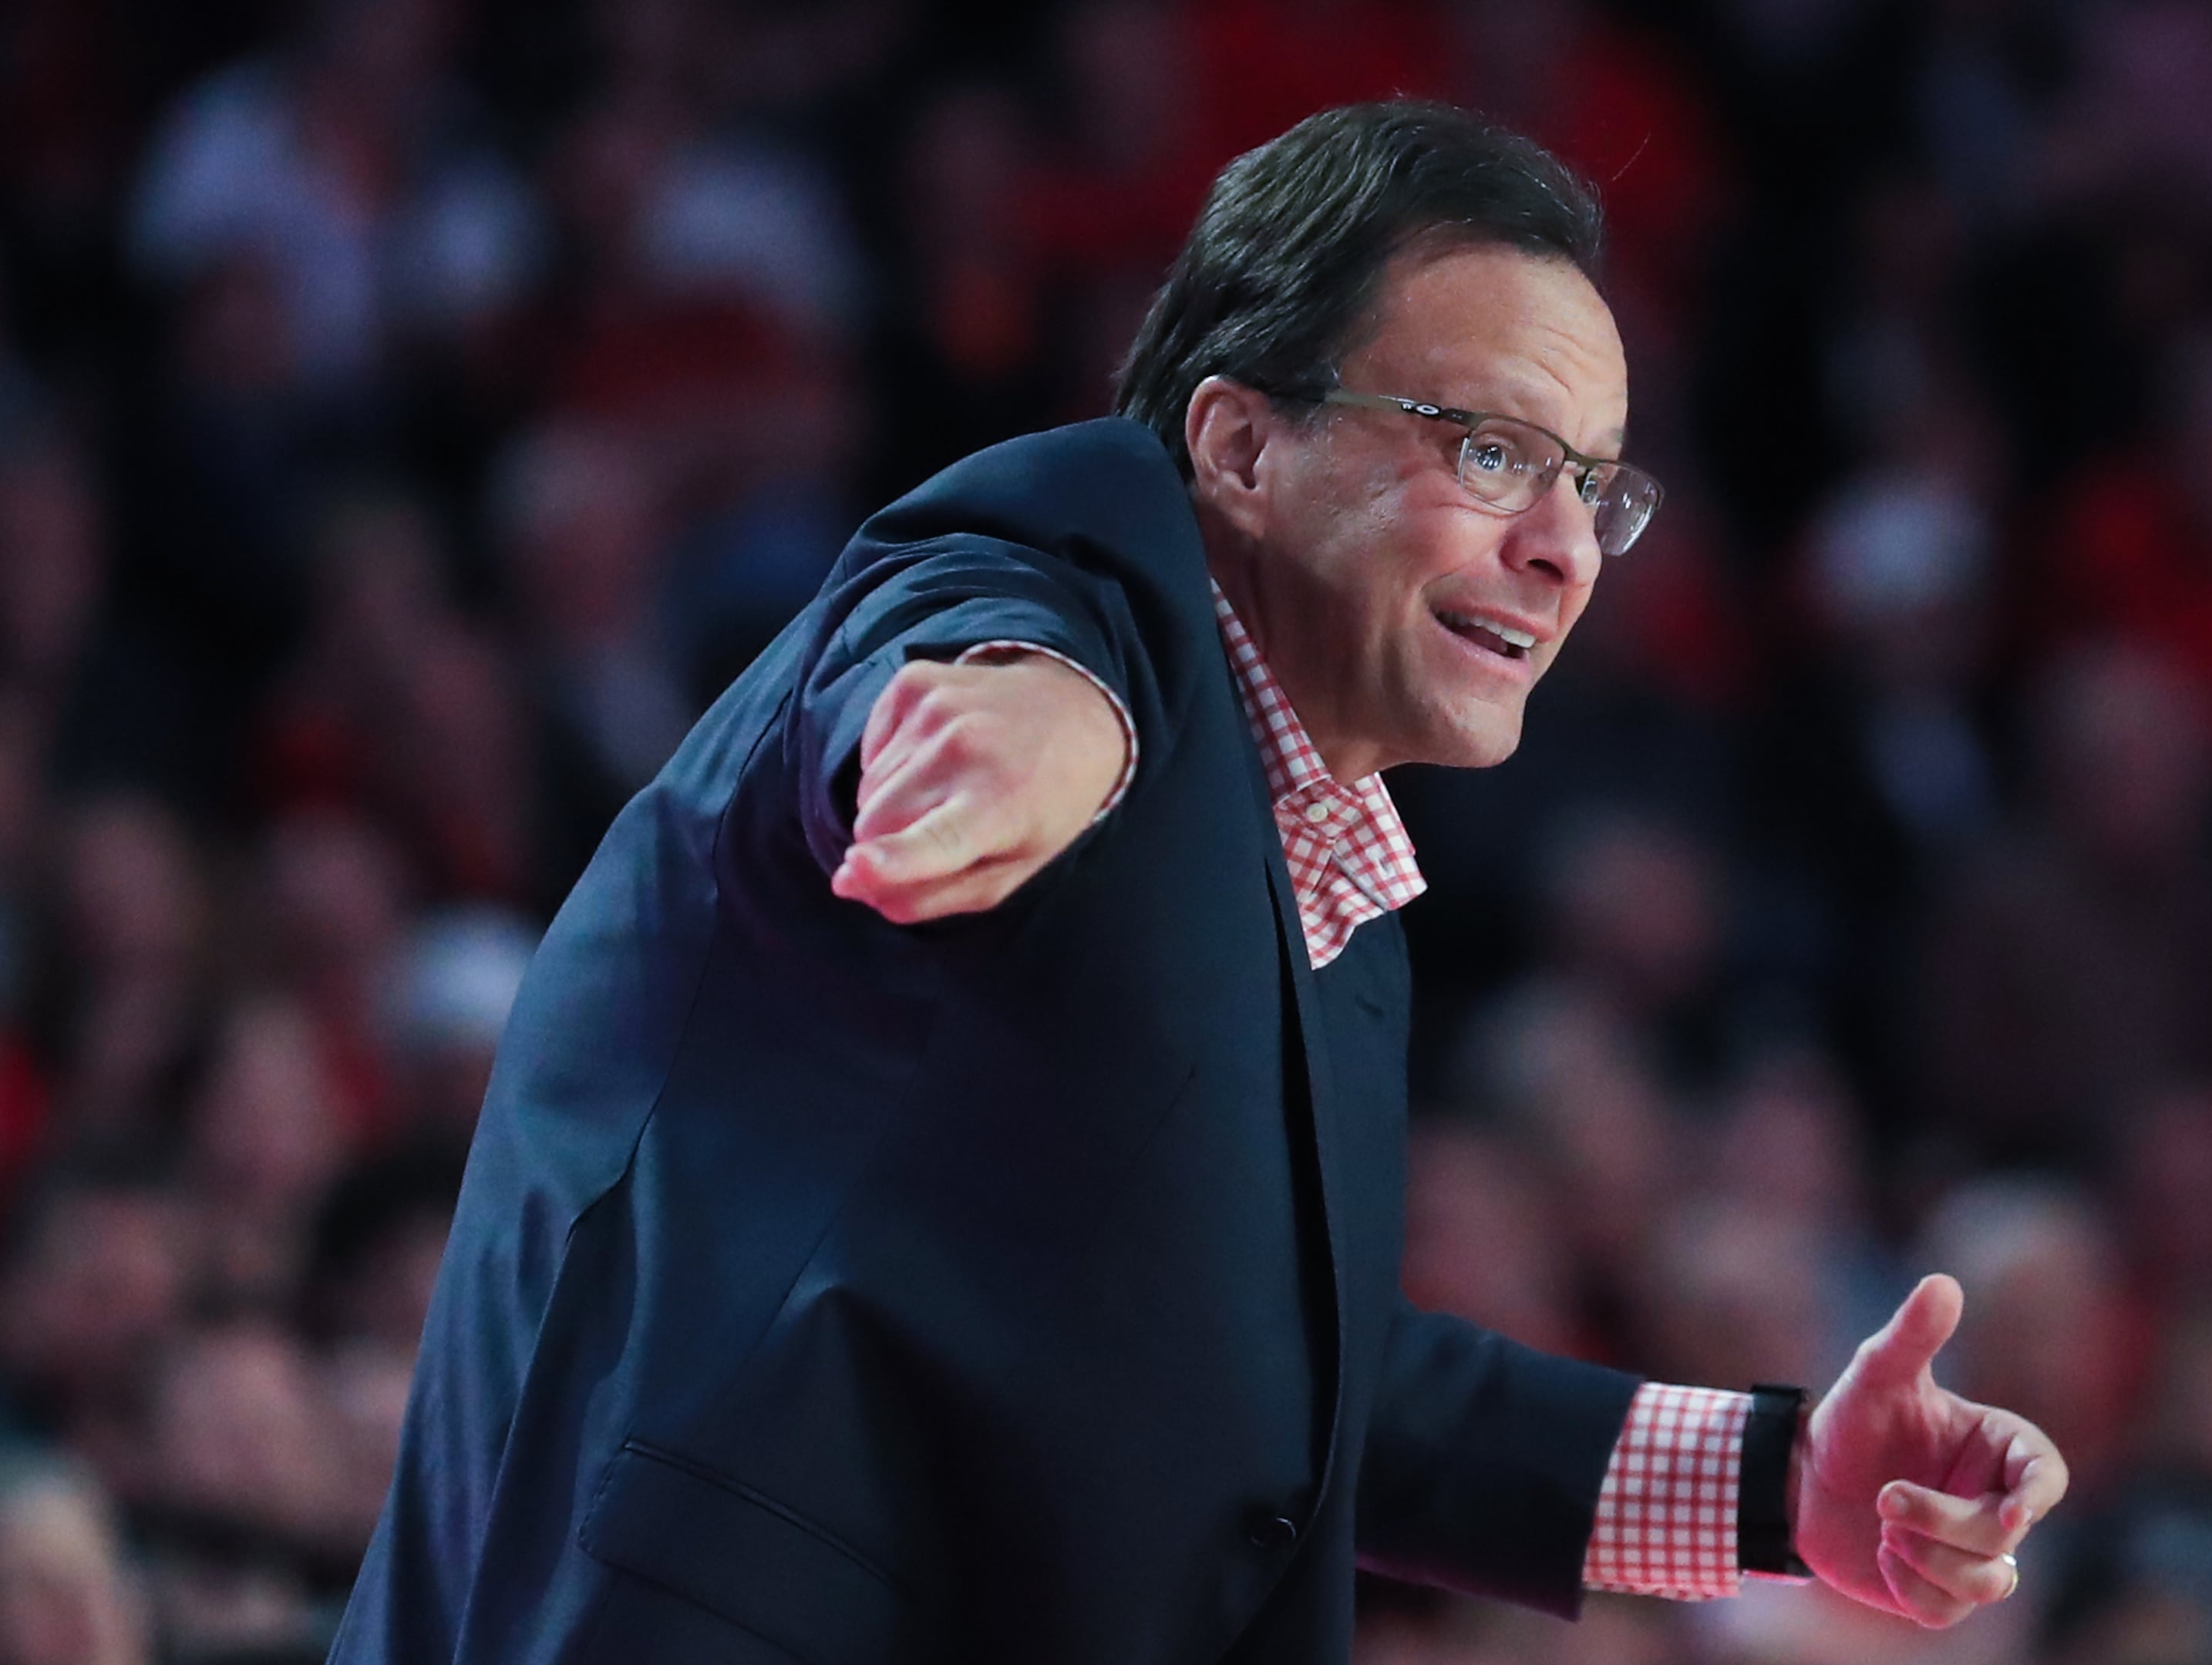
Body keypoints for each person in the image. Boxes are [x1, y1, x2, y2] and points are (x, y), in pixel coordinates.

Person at [329, 103, 2068, 1665]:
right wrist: (1036, 727)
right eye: (1490, 451)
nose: (1559, 544)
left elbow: (1294, 1402)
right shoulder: (1073, 573)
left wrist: (1784, 1486)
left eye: (1594, 486)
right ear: (1238, 449)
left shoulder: (1334, 906)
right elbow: (976, 629)